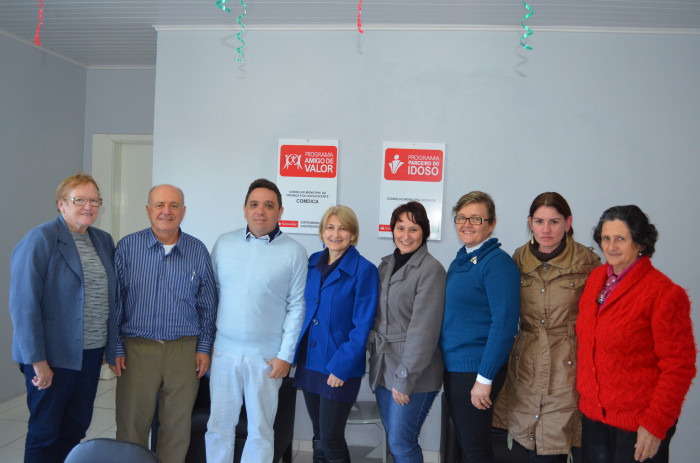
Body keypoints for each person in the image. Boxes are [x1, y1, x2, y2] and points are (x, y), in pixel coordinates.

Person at [9, 172, 118, 463]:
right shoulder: (41, 239)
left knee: (75, 428)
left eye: (94, 200)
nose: (88, 206)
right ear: (61, 204)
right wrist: (37, 360)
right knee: (45, 431)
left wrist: (110, 347)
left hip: (90, 353)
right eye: (79, 199)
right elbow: (23, 304)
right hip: (52, 356)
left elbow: (113, 297)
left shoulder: (103, 240)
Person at [576, 205, 696, 463]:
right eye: (606, 239)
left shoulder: (663, 293)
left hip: (639, 425)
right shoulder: (596, 279)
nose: (611, 246)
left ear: (640, 242)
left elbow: (679, 367)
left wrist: (655, 425)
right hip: (595, 419)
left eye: (621, 238)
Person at [109, 184, 218, 463]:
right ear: (148, 210)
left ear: (183, 212)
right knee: (132, 425)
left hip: (184, 351)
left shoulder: (198, 250)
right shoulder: (128, 247)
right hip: (137, 350)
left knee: (176, 428)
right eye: (159, 205)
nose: (166, 211)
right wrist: (116, 347)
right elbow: (116, 303)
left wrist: (204, 347)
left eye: (173, 205)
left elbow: (208, 305)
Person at [205, 178, 307, 463]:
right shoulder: (224, 243)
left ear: (280, 211)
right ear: (245, 209)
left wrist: (286, 355)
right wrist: (207, 344)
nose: (260, 211)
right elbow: (210, 297)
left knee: (260, 431)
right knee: (219, 427)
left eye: (268, 205)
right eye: (254, 204)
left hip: (265, 358)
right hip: (223, 353)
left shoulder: (295, 252)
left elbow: (297, 307)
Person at [492, 192, 600, 462]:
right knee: (519, 444)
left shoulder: (588, 262)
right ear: (529, 222)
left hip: (566, 365)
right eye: (539, 221)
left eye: (554, 221)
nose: (546, 229)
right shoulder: (518, 258)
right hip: (525, 362)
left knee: (552, 448)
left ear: (568, 222)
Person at [293, 205, 379, 463]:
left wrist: (341, 367)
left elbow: (362, 326)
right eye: (330, 227)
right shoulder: (311, 264)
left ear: (353, 234)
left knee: (331, 438)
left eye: (343, 228)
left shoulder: (365, 270)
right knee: (319, 436)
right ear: (321, 232)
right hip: (311, 362)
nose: (336, 234)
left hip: (338, 366)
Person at [439, 190, 520, 463]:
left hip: (475, 372)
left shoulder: (497, 263)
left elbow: (505, 324)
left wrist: (484, 379)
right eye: (461, 218)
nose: (467, 224)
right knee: (464, 444)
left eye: (476, 219)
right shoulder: (460, 261)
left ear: (492, 224)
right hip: (455, 368)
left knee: (475, 450)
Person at [368, 201, 446, 463]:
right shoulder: (385, 265)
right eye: (400, 227)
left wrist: (405, 378)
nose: (405, 235)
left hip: (414, 372)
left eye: (413, 229)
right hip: (383, 367)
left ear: (424, 232)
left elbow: (423, 331)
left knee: (402, 444)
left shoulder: (431, 270)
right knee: (395, 441)